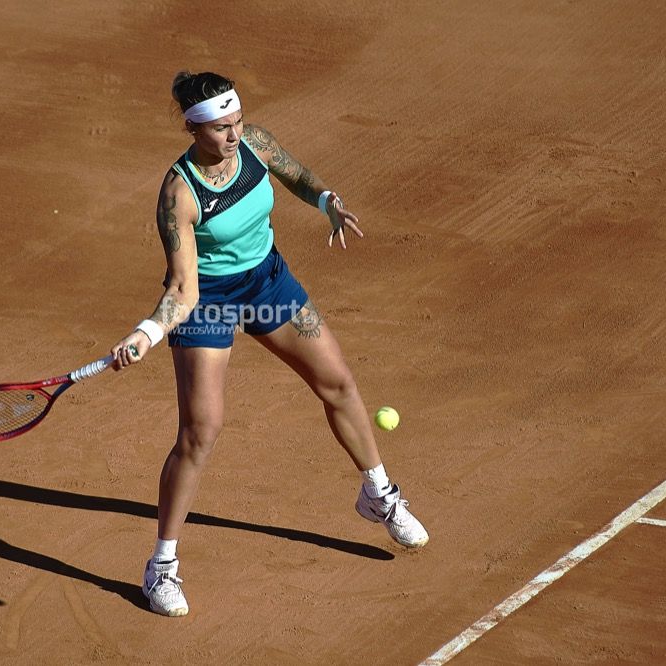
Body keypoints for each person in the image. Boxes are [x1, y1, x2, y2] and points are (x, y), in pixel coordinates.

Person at [110, 71, 428, 617]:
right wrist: (148, 332)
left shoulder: (254, 143)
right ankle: (160, 567)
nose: (234, 135)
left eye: (238, 122)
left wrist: (326, 200)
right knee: (200, 432)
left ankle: (377, 494)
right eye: (221, 128)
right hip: (208, 300)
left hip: (265, 282)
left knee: (338, 384)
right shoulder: (179, 194)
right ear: (193, 128)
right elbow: (184, 289)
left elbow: (295, 175)